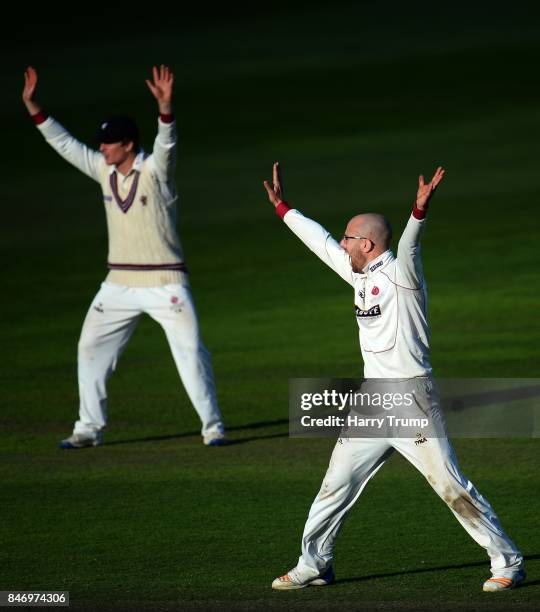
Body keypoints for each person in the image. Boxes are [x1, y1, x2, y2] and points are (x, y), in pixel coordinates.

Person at [263, 162, 524, 592]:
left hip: (412, 397)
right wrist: (283, 209)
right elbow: (321, 244)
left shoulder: (401, 274)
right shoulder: (359, 275)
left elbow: (410, 246)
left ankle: (508, 562)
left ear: (366, 243)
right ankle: (314, 564)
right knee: (336, 483)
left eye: (349, 236)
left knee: (450, 486)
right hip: (373, 400)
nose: (342, 241)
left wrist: (418, 211)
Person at [22, 65, 227, 448]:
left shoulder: (155, 173)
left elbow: (168, 147)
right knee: (89, 347)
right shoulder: (104, 171)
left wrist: (165, 109)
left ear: (128, 144)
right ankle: (88, 428)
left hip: (165, 282)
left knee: (189, 352)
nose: (101, 148)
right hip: (118, 283)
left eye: (109, 142)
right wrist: (34, 108)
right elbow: (66, 146)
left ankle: (212, 426)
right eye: (101, 143)